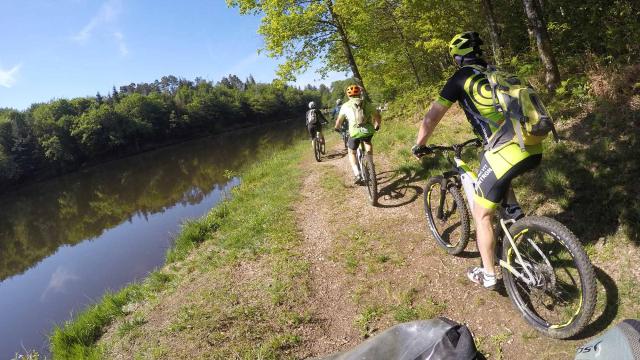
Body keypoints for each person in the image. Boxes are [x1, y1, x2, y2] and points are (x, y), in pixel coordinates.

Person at [411, 32, 542, 289]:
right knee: (504, 192)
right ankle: (522, 242)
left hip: (504, 150)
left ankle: (489, 274)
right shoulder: (497, 73)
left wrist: (420, 144)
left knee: (482, 214)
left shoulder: (461, 77)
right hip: (532, 145)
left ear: (457, 57)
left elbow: (432, 118)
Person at [334, 85, 381, 184]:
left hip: (354, 133)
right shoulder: (367, 104)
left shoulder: (345, 106)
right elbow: (377, 116)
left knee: (351, 152)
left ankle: (357, 174)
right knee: (368, 143)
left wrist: (337, 128)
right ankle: (370, 162)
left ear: (348, 95)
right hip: (368, 131)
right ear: (360, 93)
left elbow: (339, 121)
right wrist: (377, 125)